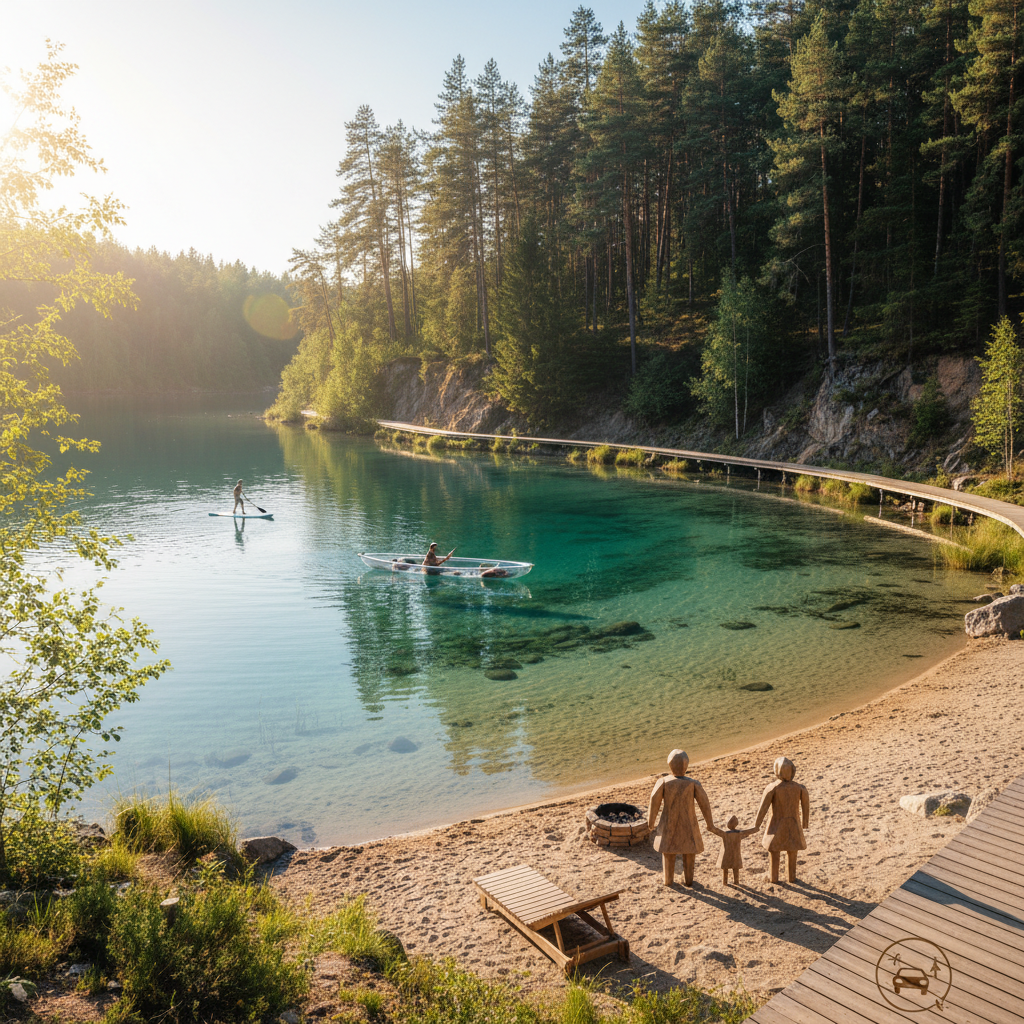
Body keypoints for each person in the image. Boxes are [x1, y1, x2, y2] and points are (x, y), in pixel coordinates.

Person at [647, 749, 717, 887]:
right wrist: (710, 823)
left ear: (669, 765)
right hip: (689, 824)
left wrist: (651, 822)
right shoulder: (693, 783)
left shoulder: (663, 782)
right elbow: (705, 804)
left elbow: (653, 801)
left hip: (668, 824)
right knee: (690, 852)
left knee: (668, 853)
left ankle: (668, 881)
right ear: (686, 766)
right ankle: (689, 881)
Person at [752, 755, 810, 884]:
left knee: (775, 851)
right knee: (792, 851)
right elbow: (806, 807)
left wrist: (757, 825)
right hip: (794, 825)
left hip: (776, 825)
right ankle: (791, 877)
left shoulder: (773, 788)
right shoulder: (800, 788)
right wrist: (805, 823)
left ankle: (774, 878)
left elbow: (763, 808)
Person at [707, 815, 758, 886]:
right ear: (736, 824)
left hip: (726, 854)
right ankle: (736, 881)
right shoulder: (739, 833)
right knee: (735, 868)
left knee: (725, 869)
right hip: (736, 854)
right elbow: (750, 831)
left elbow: (715, 830)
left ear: (728, 825)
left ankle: (725, 882)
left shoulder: (725, 834)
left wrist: (710, 826)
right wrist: (757, 827)